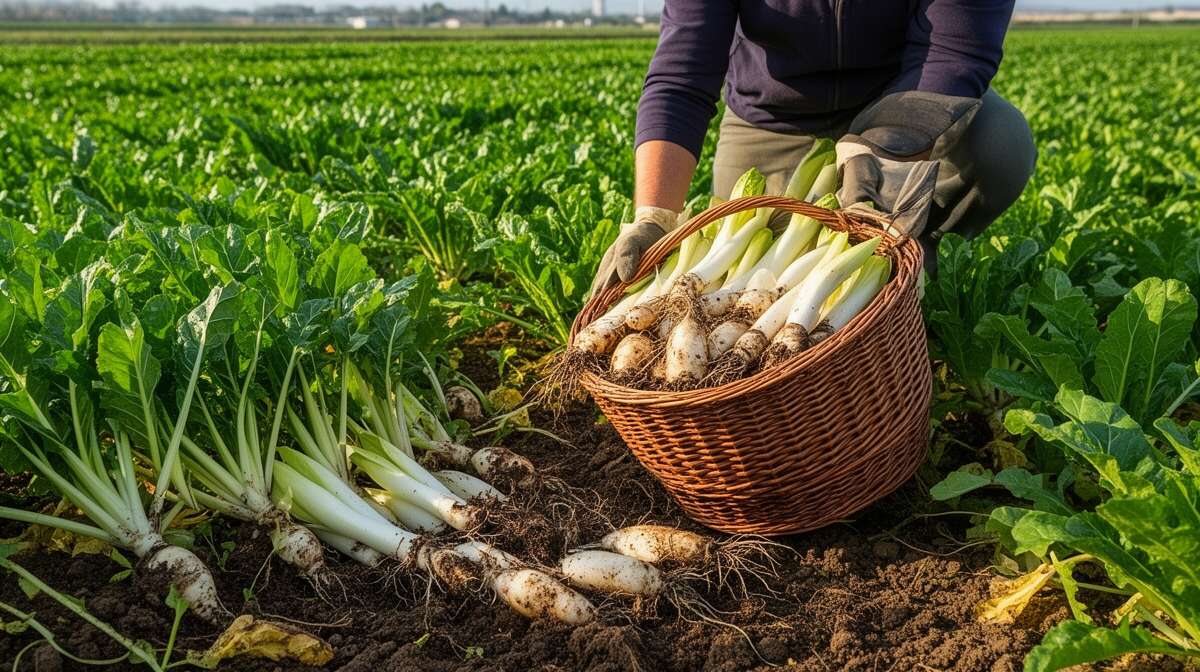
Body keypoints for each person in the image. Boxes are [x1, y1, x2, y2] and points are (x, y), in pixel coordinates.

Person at [591, 0, 1037, 294]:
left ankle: (908, 275)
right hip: (771, 120)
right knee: (745, 274)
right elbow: (681, 77)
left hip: (901, 102)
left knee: (999, 143)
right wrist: (654, 215)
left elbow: (952, 53)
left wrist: (883, 149)